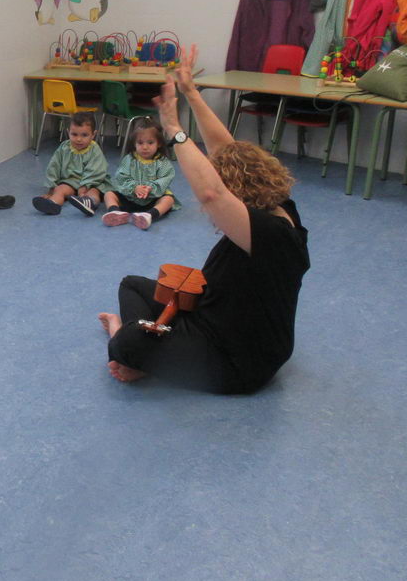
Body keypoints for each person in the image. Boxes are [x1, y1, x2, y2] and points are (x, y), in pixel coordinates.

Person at [98, 46, 310, 393]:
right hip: (210, 317)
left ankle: (128, 339)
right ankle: (149, 347)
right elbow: (229, 152)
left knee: (127, 345)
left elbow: (212, 193)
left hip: (238, 361)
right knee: (132, 283)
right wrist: (191, 93)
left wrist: (174, 129)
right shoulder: (277, 202)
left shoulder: (271, 234)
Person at [101, 117, 180, 230]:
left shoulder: (163, 162)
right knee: (109, 194)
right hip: (130, 196)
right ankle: (115, 212)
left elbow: (165, 179)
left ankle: (149, 215)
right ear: (134, 143)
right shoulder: (129, 159)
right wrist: (134, 187)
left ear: (159, 144)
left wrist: (149, 188)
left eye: (150, 142)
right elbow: (121, 177)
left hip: (152, 198)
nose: (145, 147)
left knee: (169, 199)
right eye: (140, 143)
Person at [32, 113, 112, 216]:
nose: (79, 139)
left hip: (91, 183)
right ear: (68, 132)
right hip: (70, 182)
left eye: (84, 135)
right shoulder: (64, 148)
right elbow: (54, 166)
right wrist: (52, 187)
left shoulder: (94, 150)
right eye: (74, 134)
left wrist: (84, 186)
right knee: (59, 189)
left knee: (94, 191)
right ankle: (53, 204)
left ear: (93, 135)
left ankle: (90, 203)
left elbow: (96, 170)